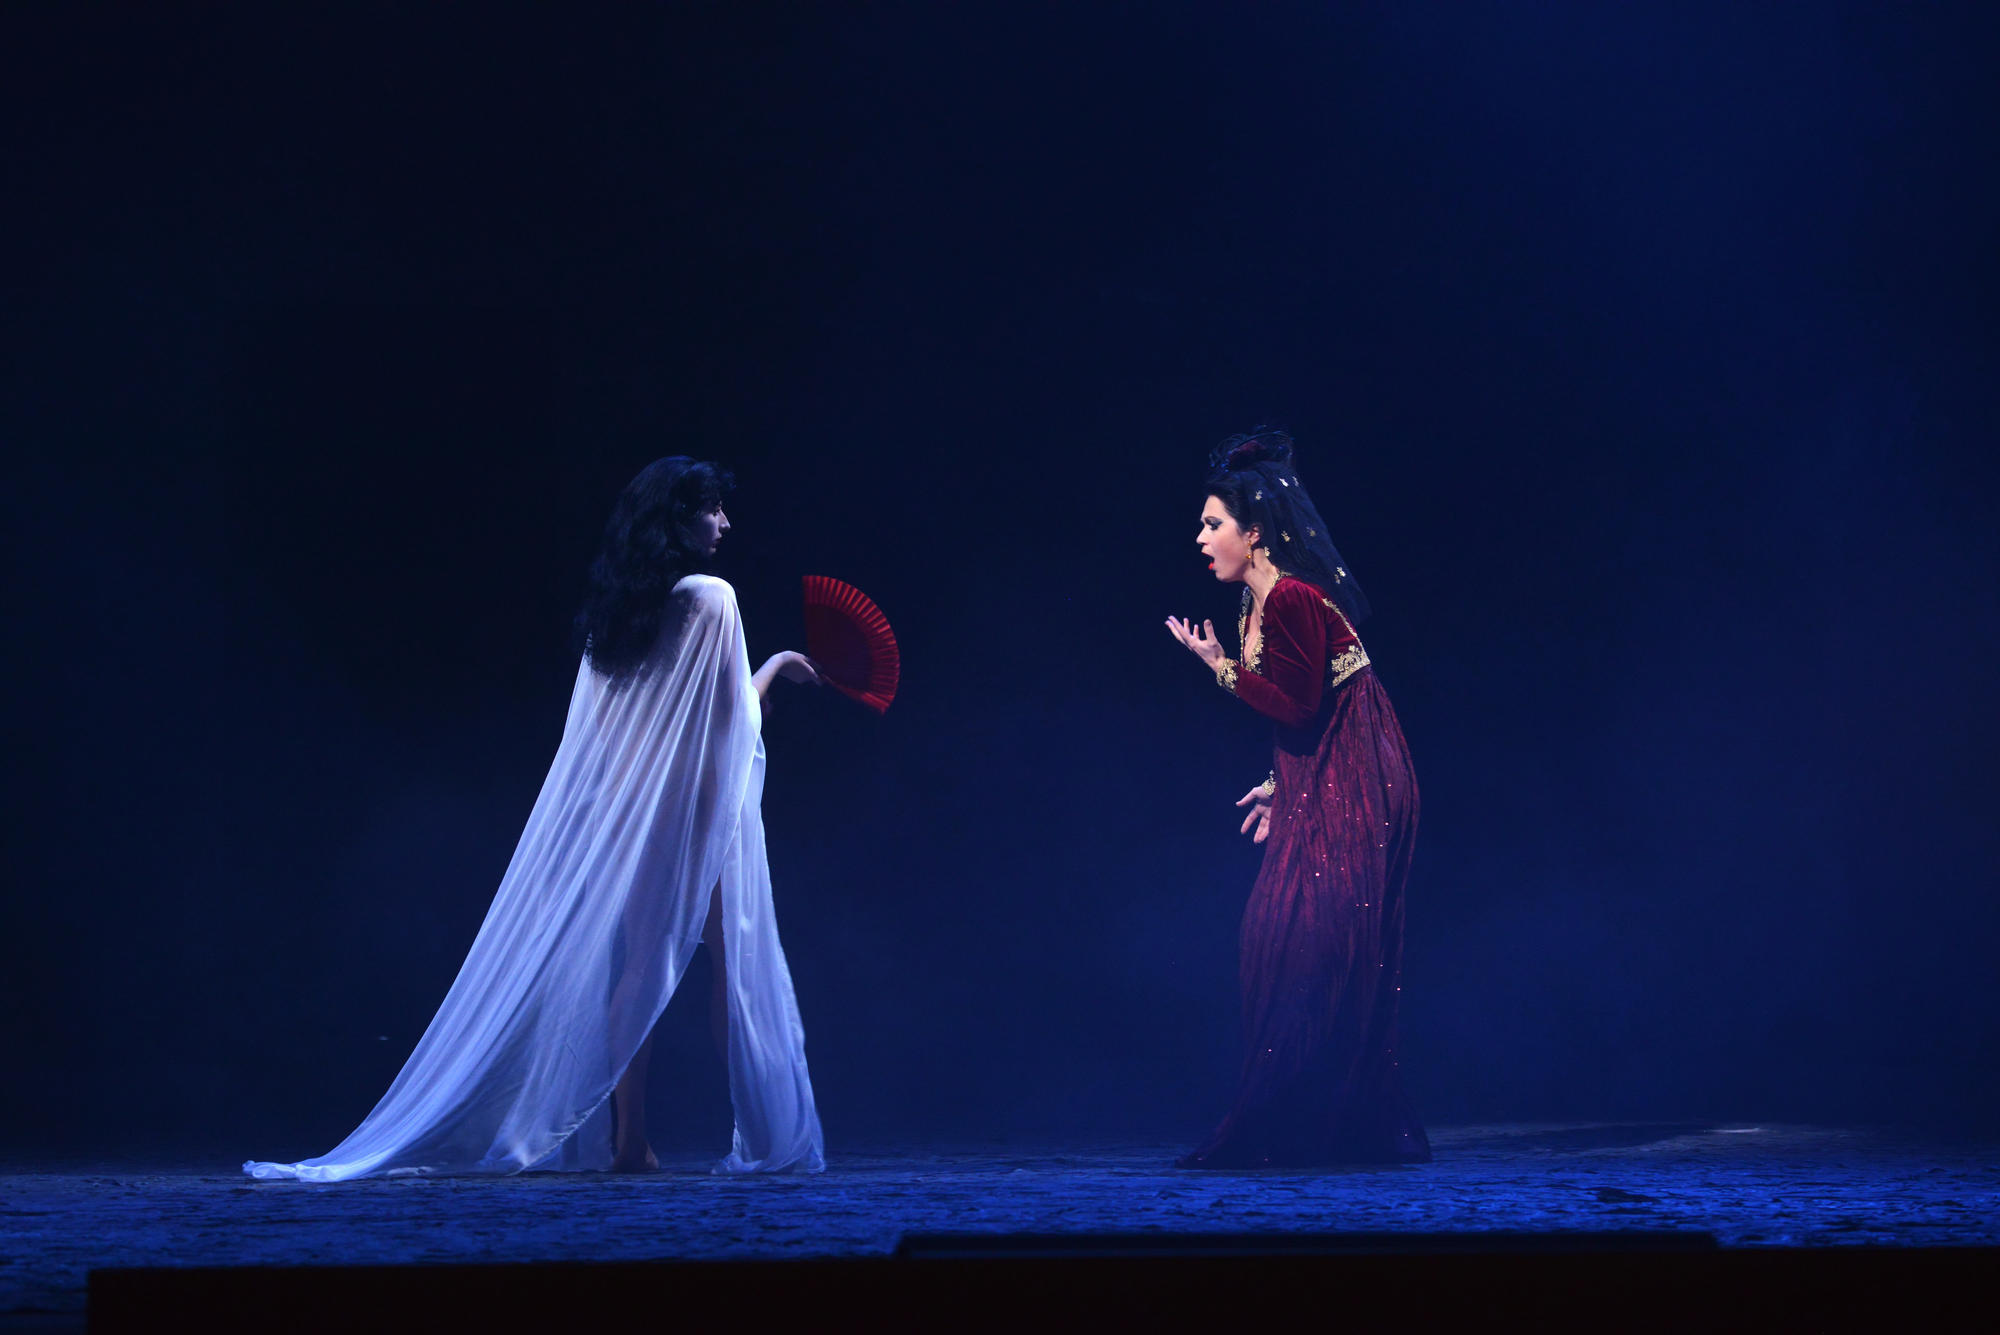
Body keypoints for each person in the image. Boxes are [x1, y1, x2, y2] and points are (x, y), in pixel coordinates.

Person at [245, 456, 826, 1181]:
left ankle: (630, 1140)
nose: (725, 522)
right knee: (731, 963)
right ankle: (762, 1136)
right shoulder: (711, 598)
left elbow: (619, 736)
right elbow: (730, 723)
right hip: (698, 812)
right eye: (713, 508)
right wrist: (776, 668)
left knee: (642, 965)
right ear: (679, 519)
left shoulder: (617, 616)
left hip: (634, 816)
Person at [1165, 429, 1430, 1167]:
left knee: (1308, 939)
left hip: (1365, 775)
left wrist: (1218, 667)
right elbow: (1305, 712)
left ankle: (1305, 1120)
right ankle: (1327, 1118)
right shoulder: (1255, 606)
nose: (1201, 538)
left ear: (1254, 532)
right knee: (1275, 933)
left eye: (1213, 524)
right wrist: (1283, 783)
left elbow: (1301, 705)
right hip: (1325, 770)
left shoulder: (1290, 598)